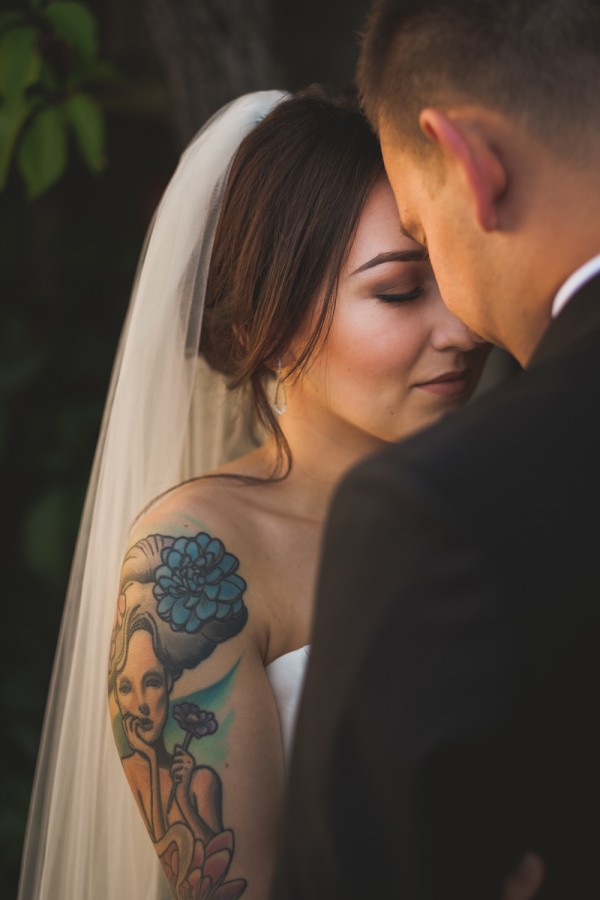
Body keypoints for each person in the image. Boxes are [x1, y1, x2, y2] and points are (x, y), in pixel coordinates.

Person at [17, 84, 497, 900]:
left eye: (456, 276)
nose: (462, 330)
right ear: (264, 332)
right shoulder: (194, 562)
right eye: (398, 291)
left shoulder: (500, 491)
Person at [271, 2, 600, 899]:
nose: (459, 325)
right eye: (397, 282)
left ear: (472, 165)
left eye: (423, 234)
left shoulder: (439, 507)